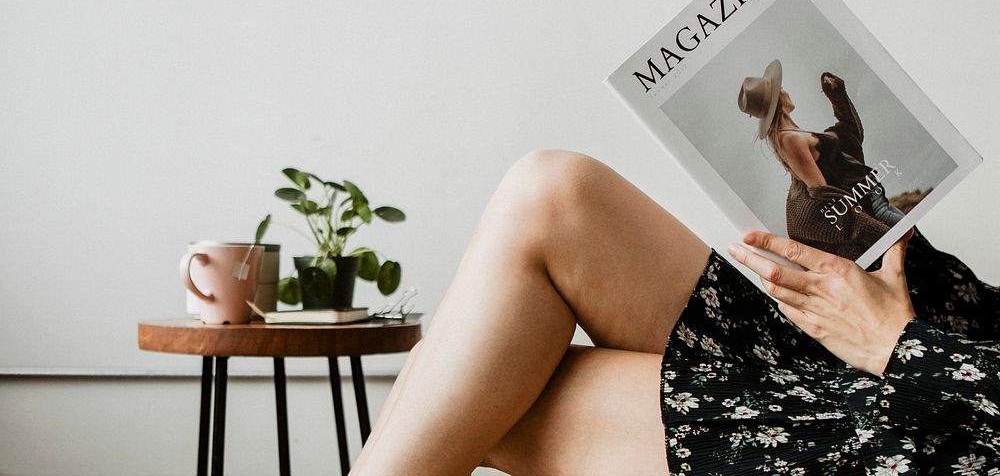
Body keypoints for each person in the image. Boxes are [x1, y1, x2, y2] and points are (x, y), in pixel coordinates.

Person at [347, 150, 999, 475]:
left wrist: (901, 344)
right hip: (938, 356)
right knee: (553, 191)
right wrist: (884, 244)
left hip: (950, 428)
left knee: (483, 390)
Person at [738, 59, 907, 262]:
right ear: (777, 100)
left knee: (917, 246)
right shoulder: (788, 139)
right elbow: (821, 191)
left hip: (873, 197)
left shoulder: (793, 134)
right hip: (870, 205)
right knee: (913, 246)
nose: (786, 91)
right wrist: (866, 225)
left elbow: (850, 135)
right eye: (781, 89)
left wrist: (836, 95)